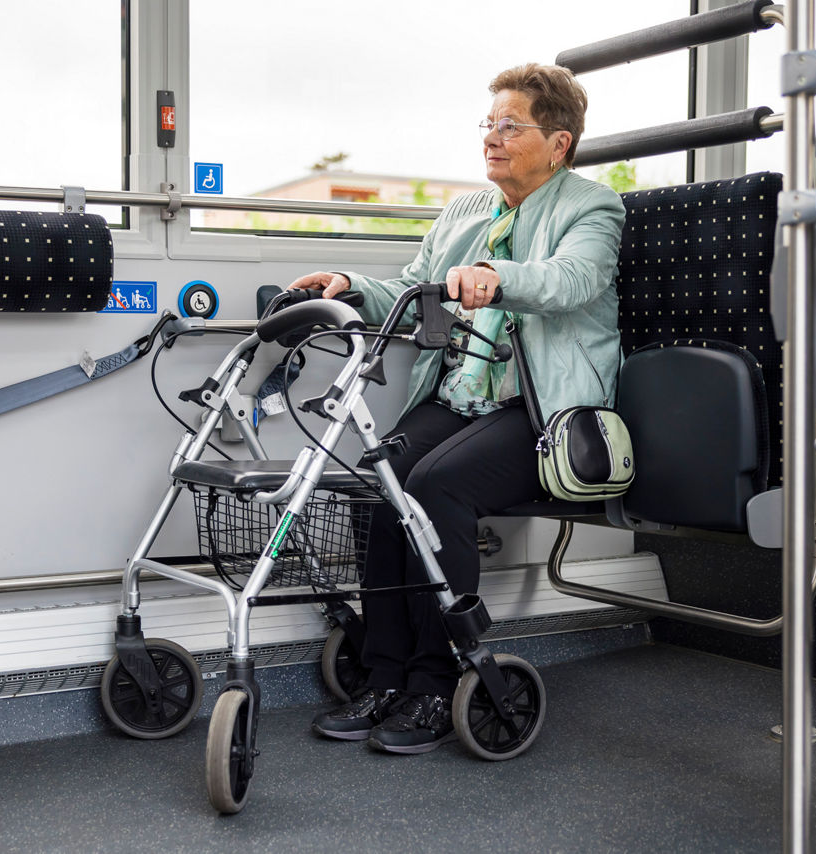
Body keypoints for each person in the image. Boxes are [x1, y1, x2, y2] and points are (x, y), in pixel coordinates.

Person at [288, 62, 626, 755]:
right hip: (461, 395)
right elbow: (415, 288)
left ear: (558, 143)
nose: (493, 138)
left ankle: (437, 684)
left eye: (511, 126)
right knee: (376, 483)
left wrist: (497, 278)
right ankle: (385, 674)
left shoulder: (593, 206)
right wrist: (350, 285)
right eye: (489, 124)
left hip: (540, 410)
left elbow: (571, 281)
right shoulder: (466, 212)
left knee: (434, 487)